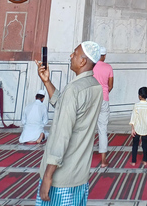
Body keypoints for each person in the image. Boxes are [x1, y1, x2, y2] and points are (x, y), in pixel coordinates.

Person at [34, 41, 103, 205]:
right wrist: (47, 82)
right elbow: (64, 106)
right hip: (79, 174)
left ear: (83, 61)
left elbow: (62, 134)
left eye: (75, 53)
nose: (71, 56)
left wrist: (48, 176)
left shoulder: (74, 89)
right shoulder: (95, 86)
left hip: (61, 178)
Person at [92, 46, 114, 168]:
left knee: (87, 128)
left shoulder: (91, 67)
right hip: (104, 99)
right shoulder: (108, 67)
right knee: (102, 130)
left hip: (92, 100)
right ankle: (103, 160)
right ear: (104, 55)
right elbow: (110, 85)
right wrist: (104, 92)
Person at [129, 86, 147, 166]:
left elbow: (133, 118)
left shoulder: (136, 105)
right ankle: (145, 160)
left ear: (140, 95)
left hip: (137, 128)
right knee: (145, 144)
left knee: (135, 144)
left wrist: (132, 128)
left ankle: (133, 161)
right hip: (145, 129)